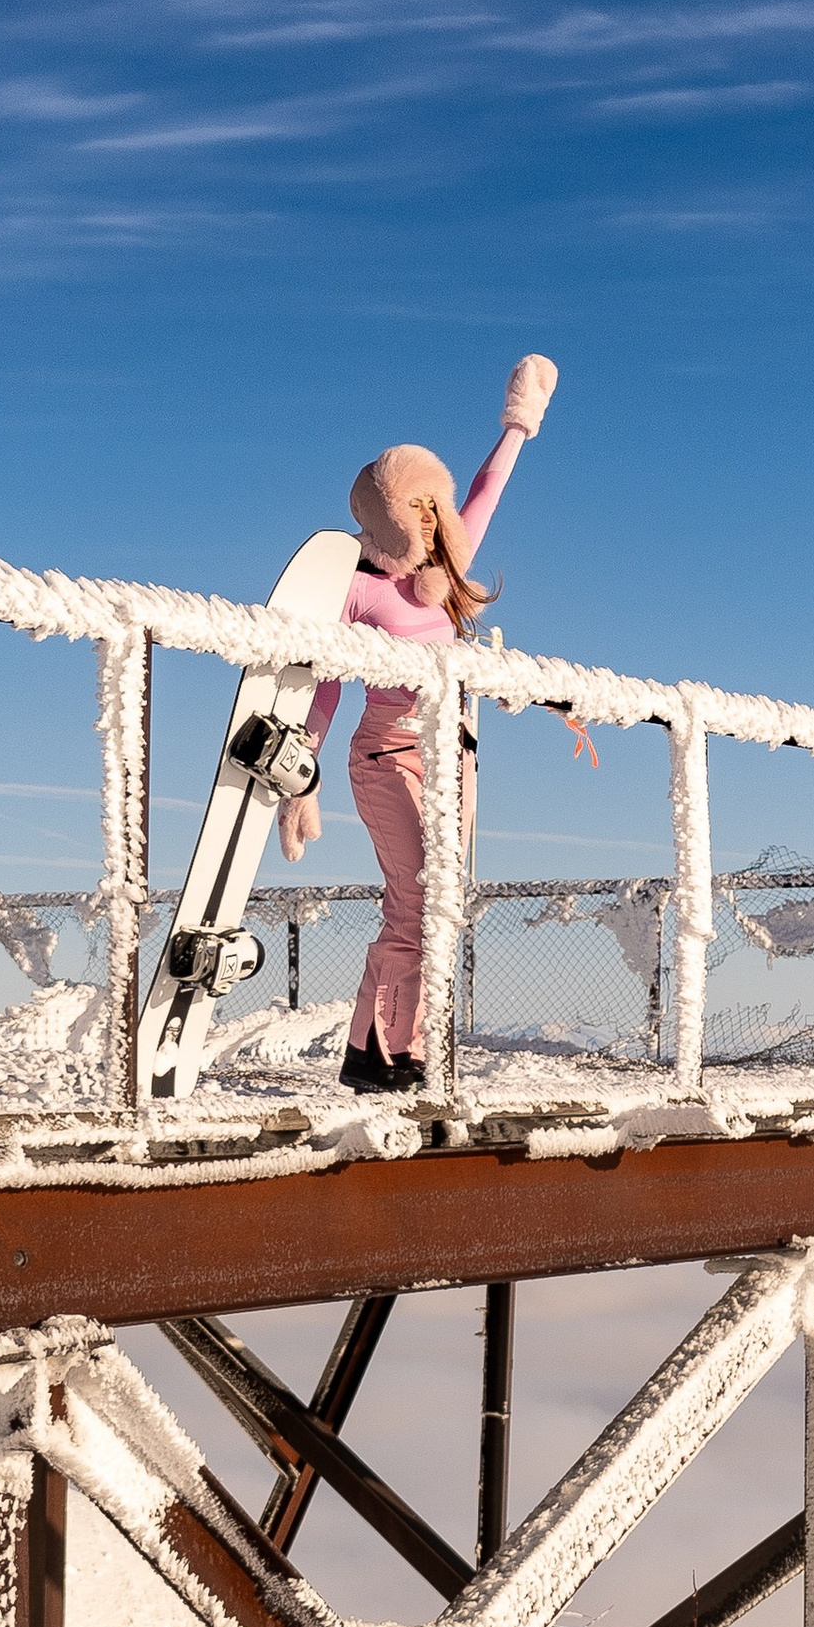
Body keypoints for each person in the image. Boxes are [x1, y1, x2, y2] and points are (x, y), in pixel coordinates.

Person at [276, 350, 567, 1091]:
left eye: (437, 509)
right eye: (419, 510)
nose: (435, 523)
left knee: (442, 907)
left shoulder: (449, 582)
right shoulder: (360, 591)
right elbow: (326, 683)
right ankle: (381, 1056)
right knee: (415, 901)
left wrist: (518, 424)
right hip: (386, 756)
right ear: (391, 518)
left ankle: (393, 1050)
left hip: (456, 757)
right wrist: (300, 774)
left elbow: (487, 488)